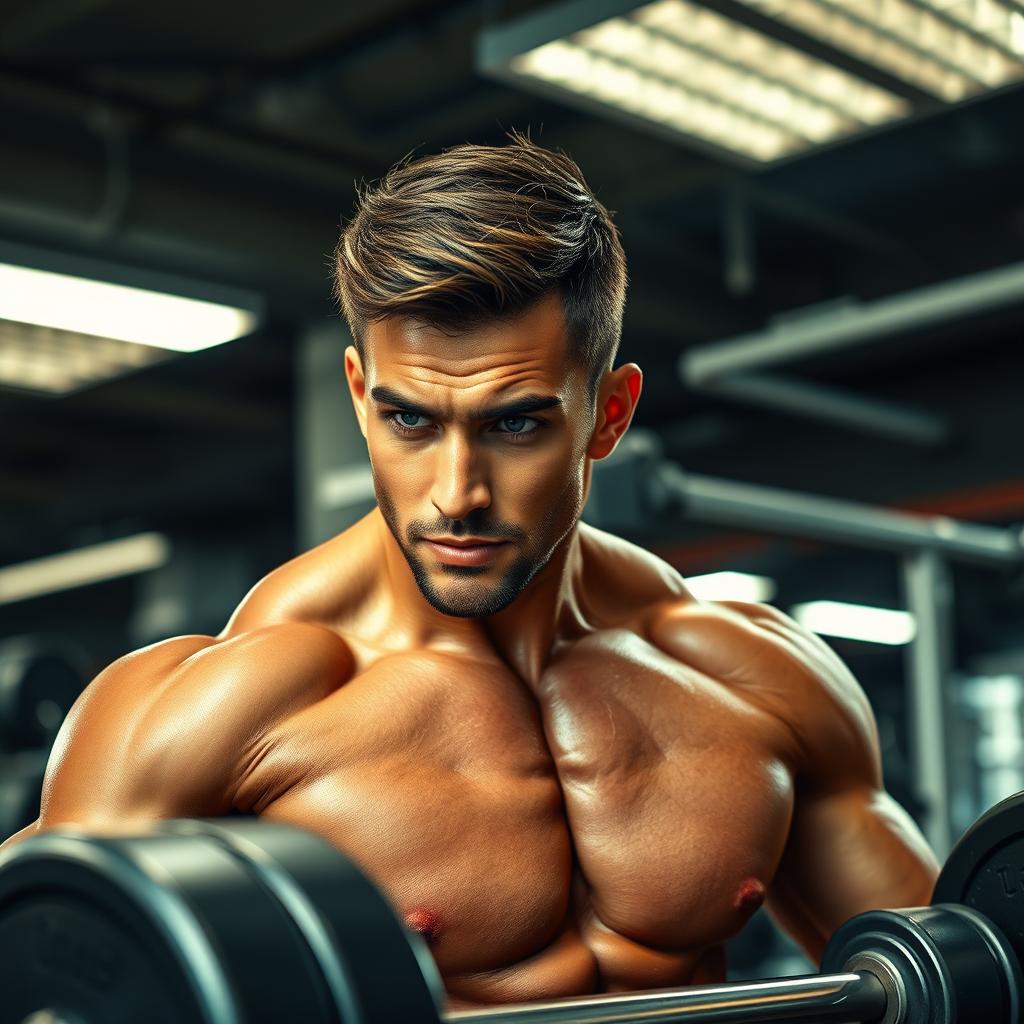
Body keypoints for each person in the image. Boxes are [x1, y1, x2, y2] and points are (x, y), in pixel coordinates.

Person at [0, 132, 938, 1009]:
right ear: (362, 399)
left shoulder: (750, 676)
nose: (456, 494)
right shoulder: (219, 705)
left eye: (515, 423)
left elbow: (958, 971)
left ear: (610, 415)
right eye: (411, 419)